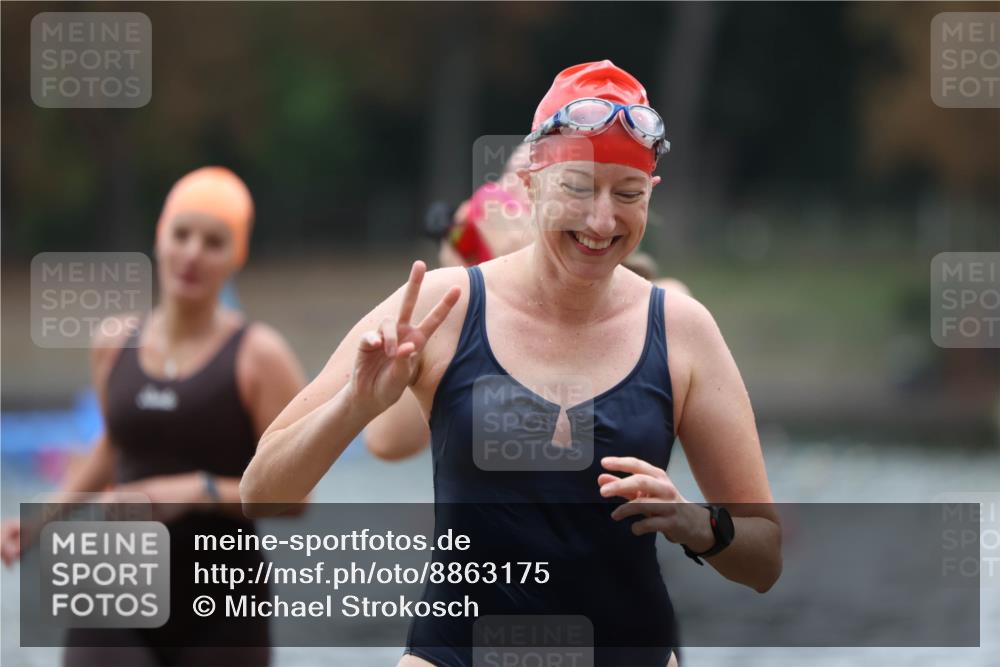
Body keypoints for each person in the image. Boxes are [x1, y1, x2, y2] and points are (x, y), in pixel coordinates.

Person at [241, 61, 781, 667]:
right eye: (578, 187)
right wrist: (354, 406)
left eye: (627, 194)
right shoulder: (443, 305)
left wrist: (697, 524)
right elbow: (260, 494)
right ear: (531, 185)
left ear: (650, 194)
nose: (602, 221)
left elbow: (763, 558)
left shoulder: (682, 330)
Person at [1, 166, 307, 667]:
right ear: (159, 236)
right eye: (181, 234)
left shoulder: (259, 357)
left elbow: (295, 497)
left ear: (237, 256)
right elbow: (112, 448)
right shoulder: (114, 342)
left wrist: (195, 491)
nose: (191, 253)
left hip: (221, 602)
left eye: (213, 241)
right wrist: (40, 518)